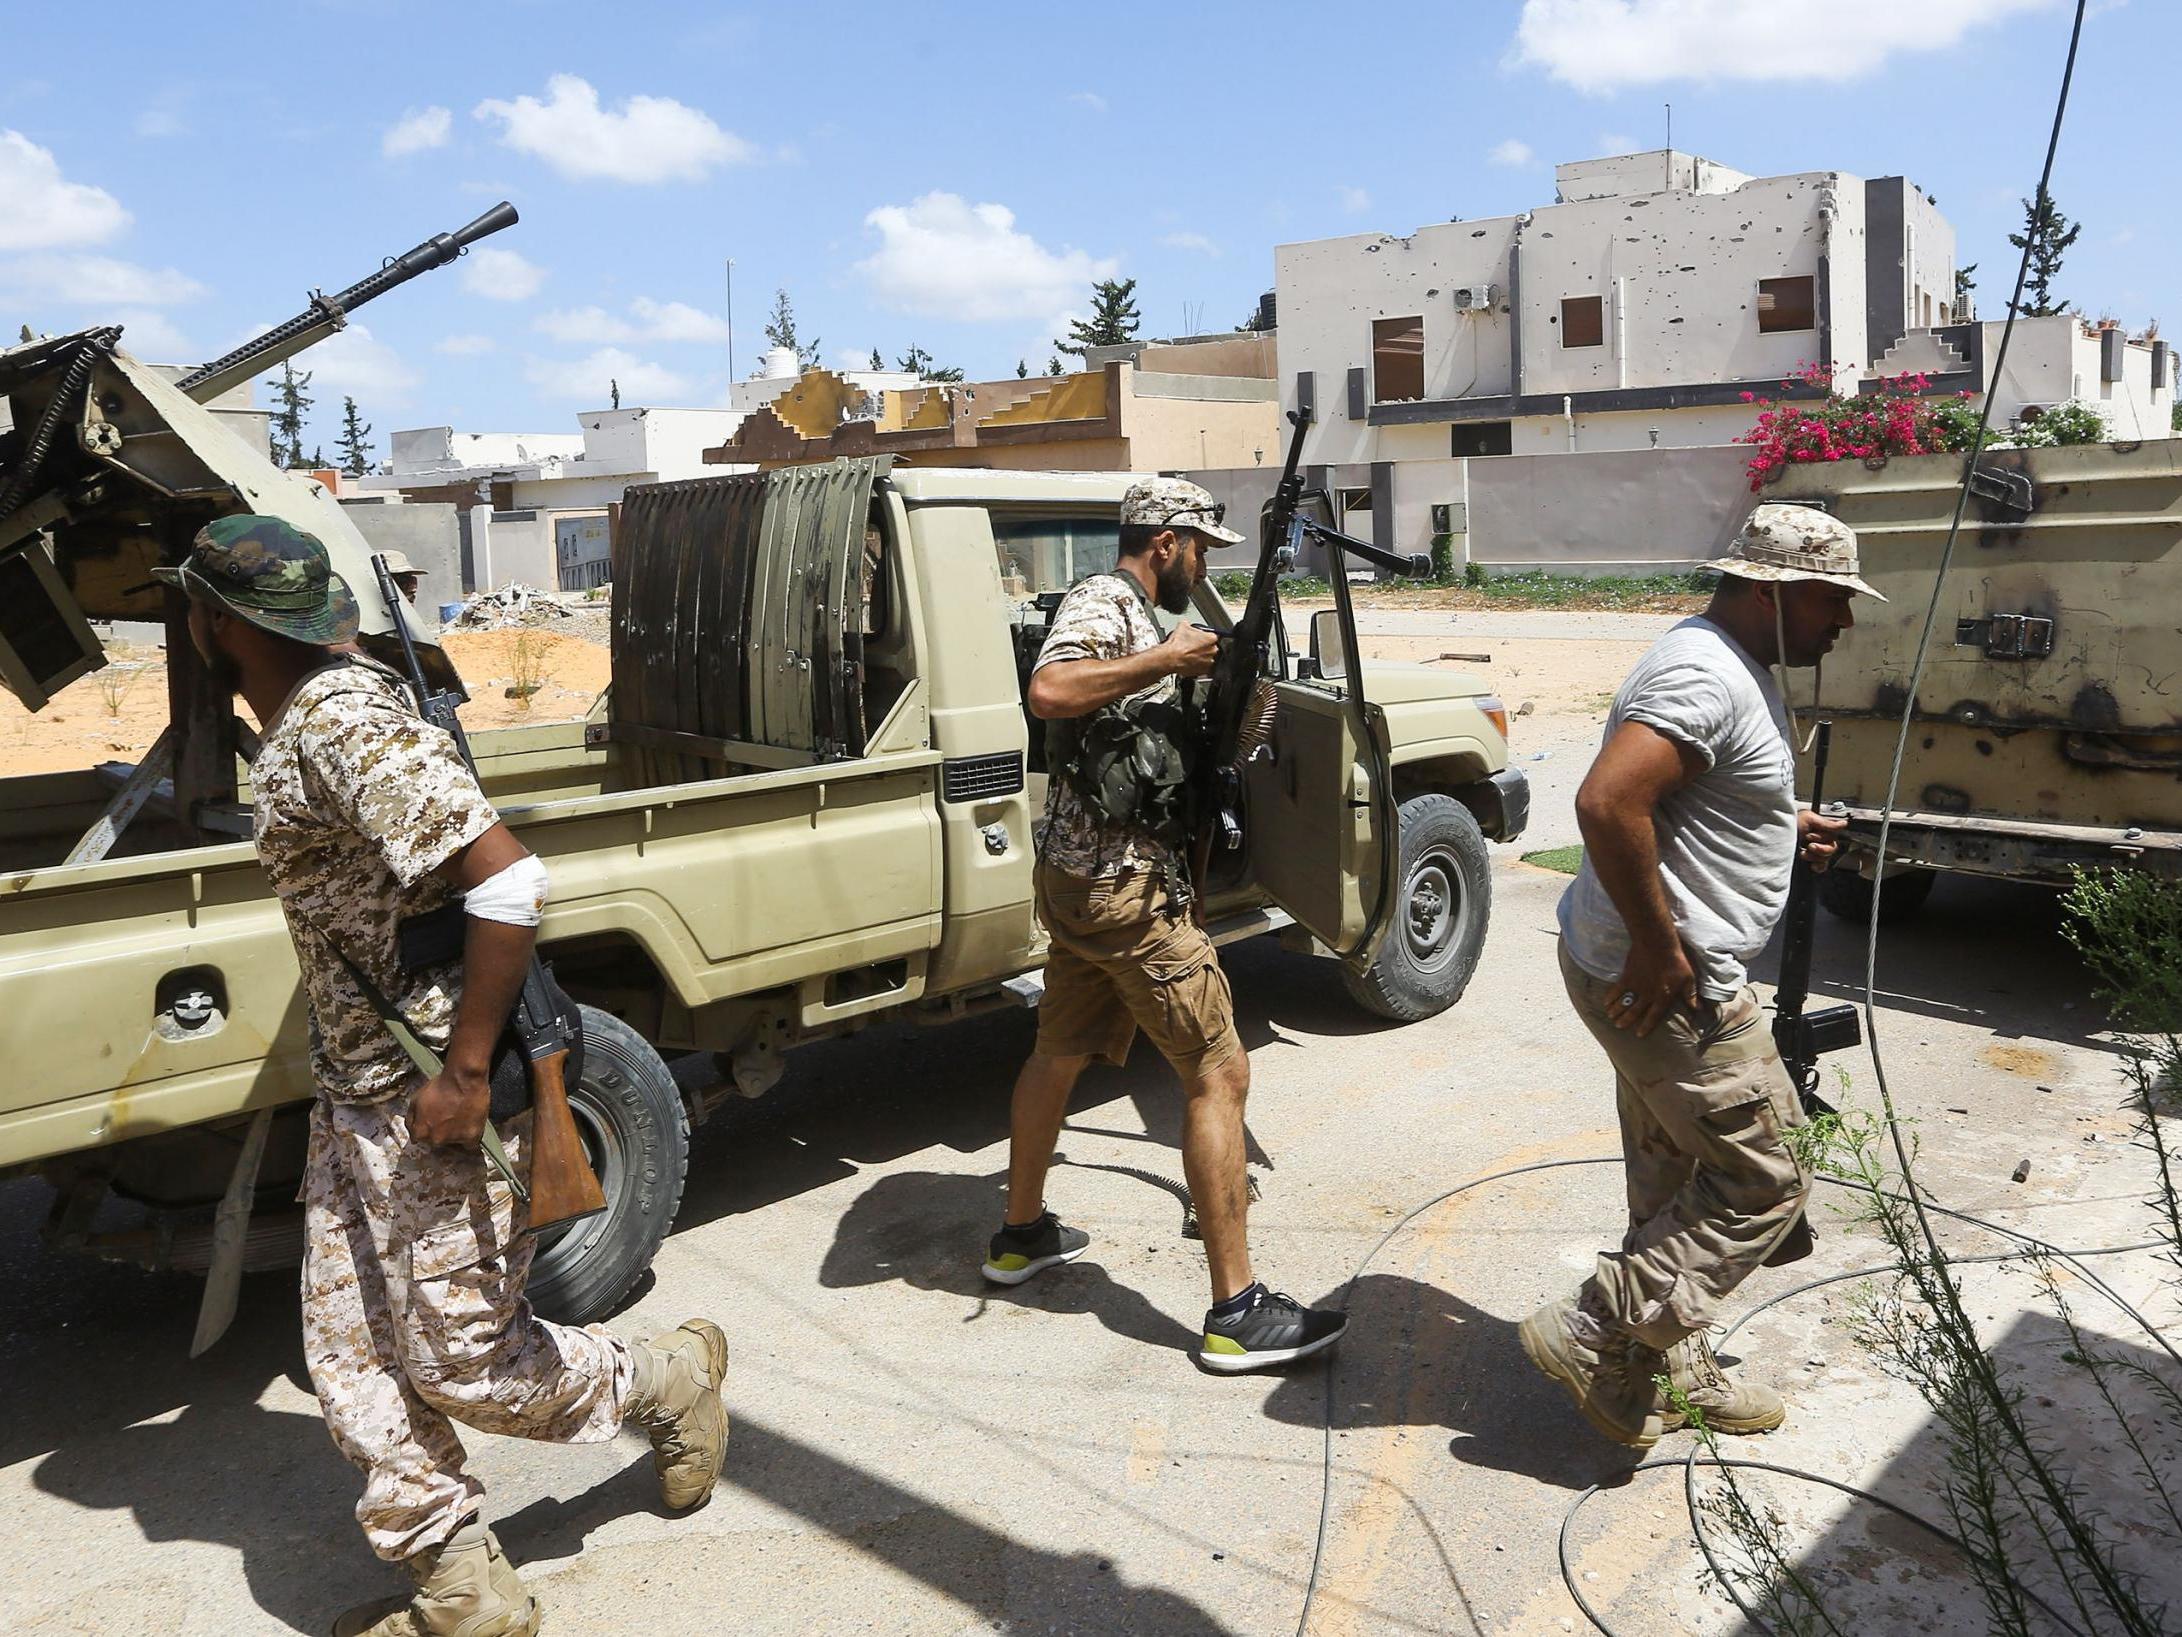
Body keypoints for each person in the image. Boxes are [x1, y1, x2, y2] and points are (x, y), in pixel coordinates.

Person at [157, 515, 728, 1637]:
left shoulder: (342, 720)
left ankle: (664, 1378)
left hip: (430, 1093)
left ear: (217, 620)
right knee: (351, 1351)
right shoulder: (308, 711)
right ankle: (459, 1582)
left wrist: (466, 1073)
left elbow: (510, 883)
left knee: (465, 1358)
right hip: (359, 1088)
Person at [1520, 503, 1881, 1449]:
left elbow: (1685, 794)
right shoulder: (1704, 674)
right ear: (1772, 589)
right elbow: (1605, 799)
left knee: (1674, 1175)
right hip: (1671, 986)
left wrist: (1776, 826)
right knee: (1768, 1180)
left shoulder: (1730, 661)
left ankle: (1654, 1368)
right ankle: (1597, 1324)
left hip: (1632, 968)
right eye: (1831, 599)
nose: (1843, 621)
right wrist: (1661, 943)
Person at [981, 477, 1347, 1373]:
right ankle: (1237, 1310)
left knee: (1056, 1054)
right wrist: (1166, 662)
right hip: (1123, 891)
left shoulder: (1144, 614)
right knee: (1219, 1072)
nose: (1205, 563)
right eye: (1201, 548)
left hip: (1081, 885)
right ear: (1168, 541)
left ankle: (1020, 1235)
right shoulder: (1107, 602)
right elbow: (1051, 690)